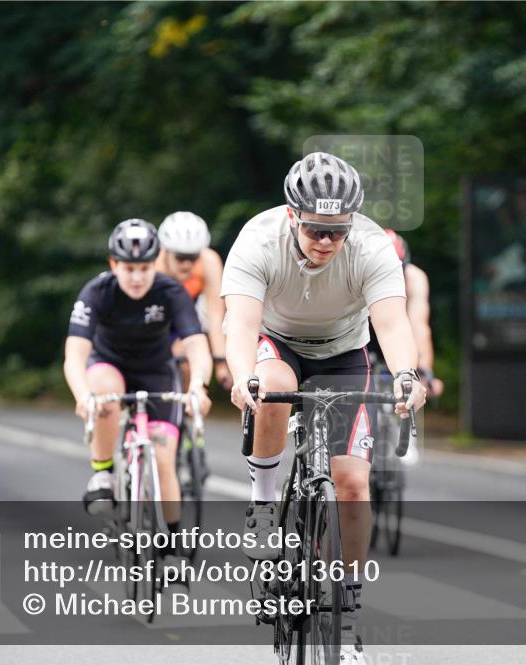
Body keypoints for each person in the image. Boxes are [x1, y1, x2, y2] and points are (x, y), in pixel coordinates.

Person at [221, 152, 427, 664]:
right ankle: (263, 504)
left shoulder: (372, 246)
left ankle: (347, 617)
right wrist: (243, 376)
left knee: (353, 484)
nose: (327, 242)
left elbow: (392, 324)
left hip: (344, 353)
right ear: (292, 215)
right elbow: (241, 324)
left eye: (337, 232)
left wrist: (407, 376)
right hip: (277, 341)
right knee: (272, 386)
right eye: (315, 230)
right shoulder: (258, 238)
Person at [63, 219, 212, 532]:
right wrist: (82, 395)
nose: (136, 277)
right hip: (109, 365)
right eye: (128, 268)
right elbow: (75, 354)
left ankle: (171, 541)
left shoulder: (170, 291)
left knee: (163, 458)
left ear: (154, 264)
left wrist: (199, 384)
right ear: (113, 264)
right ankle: (103, 472)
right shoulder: (96, 292)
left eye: (144, 268)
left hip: (157, 371)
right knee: (103, 391)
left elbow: (196, 344)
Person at [368, 229, 444, 464]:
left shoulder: (415, 278)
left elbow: (419, 326)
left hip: (396, 325)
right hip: (363, 326)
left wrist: (425, 371)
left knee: (409, 376)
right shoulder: (359, 268)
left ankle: (407, 427)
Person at [155, 211, 232, 390]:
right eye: (180, 257)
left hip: (189, 316)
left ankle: (189, 401)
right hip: (158, 318)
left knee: (189, 357)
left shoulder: (208, 261)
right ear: (166, 251)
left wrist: (221, 362)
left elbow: (215, 315)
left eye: (192, 257)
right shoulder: (153, 266)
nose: (187, 264)